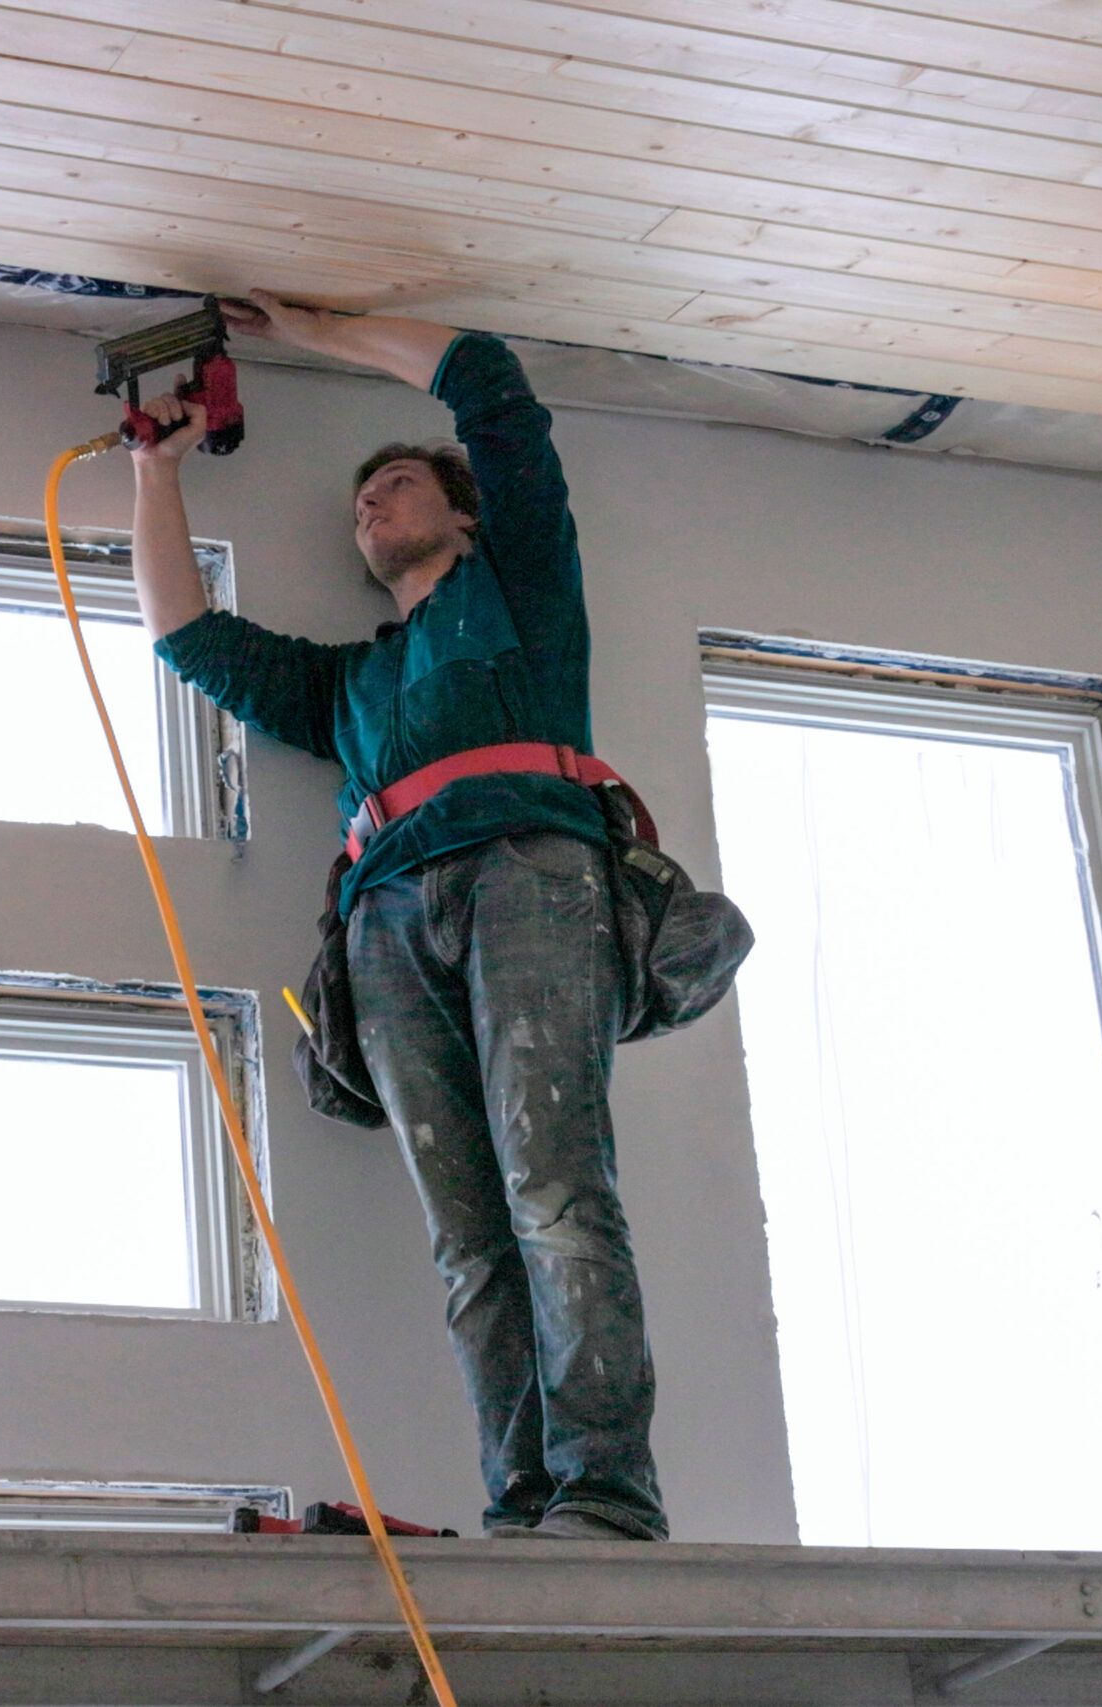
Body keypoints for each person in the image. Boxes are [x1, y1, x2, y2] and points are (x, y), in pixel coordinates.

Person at [126, 293, 664, 1542]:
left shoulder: (522, 592)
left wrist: (310, 325)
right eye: (361, 500)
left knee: (555, 1187)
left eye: (401, 484)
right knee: (471, 1239)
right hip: (384, 927)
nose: (370, 505)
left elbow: (489, 376)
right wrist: (157, 473)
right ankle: (525, 1503)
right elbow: (184, 635)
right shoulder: (350, 685)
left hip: (531, 874)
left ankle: (606, 1495)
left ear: (465, 514)